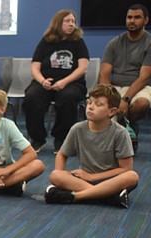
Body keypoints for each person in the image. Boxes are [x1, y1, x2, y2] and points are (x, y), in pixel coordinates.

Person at [46, 84, 139, 208]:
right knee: (55, 175)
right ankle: (108, 197)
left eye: (98, 104)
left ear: (112, 111)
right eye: (89, 102)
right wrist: (61, 177)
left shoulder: (120, 133)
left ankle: (76, 196)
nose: (91, 107)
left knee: (132, 177)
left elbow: (126, 169)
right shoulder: (78, 129)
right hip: (83, 180)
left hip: (111, 180)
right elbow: (62, 155)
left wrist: (93, 177)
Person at [22, 10, 90, 154]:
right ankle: (38, 139)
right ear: (58, 23)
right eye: (67, 21)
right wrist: (42, 81)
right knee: (31, 97)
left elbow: (82, 68)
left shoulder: (78, 42)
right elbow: (35, 67)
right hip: (45, 82)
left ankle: (61, 138)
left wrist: (64, 82)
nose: (71, 24)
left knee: (68, 97)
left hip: (71, 83)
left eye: (73, 21)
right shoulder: (46, 42)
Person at [98, 4, 151, 149]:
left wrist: (125, 99)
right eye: (129, 17)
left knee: (141, 104)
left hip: (142, 87)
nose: (132, 21)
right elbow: (104, 73)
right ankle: (125, 130)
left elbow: (144, 78)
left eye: (137, 17)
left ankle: (128, 125)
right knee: (99, 104)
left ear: (146, 20)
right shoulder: (114, 43)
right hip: (115, 86)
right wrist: (109, 96)